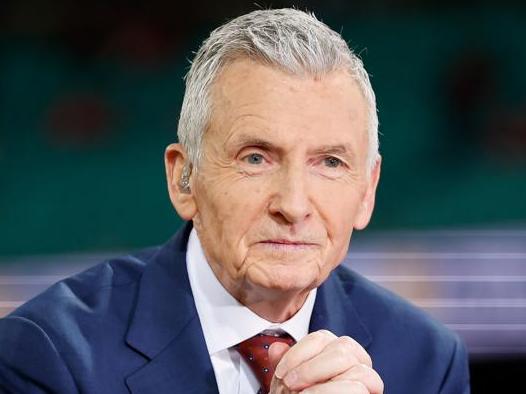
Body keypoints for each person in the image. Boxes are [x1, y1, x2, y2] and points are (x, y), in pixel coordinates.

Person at [0, 8, 470, 394]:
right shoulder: (50, 355)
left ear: (367, 191)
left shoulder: (427, 362)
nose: (294, 204)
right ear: (184, 179)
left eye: (329, 162)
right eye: (256, 158)